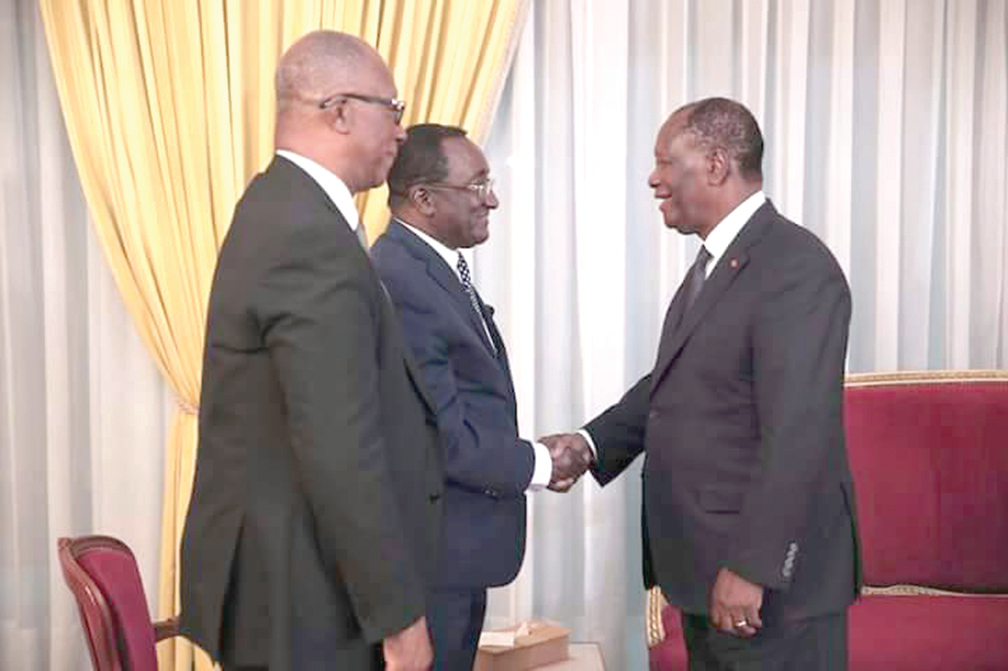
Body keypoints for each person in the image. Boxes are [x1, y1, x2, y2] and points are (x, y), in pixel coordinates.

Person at [545, 97, 861, 669]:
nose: (653, 177)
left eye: (666, 161)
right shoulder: (719, 262)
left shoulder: (795, 268)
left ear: (715, 165)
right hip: (705, 574)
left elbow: (798, 433)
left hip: (766, 595)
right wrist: (590, 445)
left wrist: (753, 567)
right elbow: (678, 385)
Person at [179, 31, 444, 671]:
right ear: (341, 109)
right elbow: (338, 443)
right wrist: (398, 616)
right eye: (394, 109)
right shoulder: (305, 232)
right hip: (304, 590)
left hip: (300, 573)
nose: (402, 131)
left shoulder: (284, 206)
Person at [371, 124, 589, 670]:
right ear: (422, 198)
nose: (491, 198)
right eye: (477, 185)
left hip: (457, 555)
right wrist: (541, 462)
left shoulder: (434, 270)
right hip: (431, 559)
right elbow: (441, 434)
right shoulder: (401, 278)